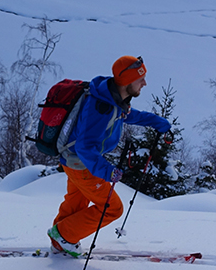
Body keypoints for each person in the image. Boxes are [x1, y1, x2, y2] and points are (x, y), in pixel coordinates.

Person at [47, 56, 171, 258]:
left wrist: (157, 122)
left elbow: (129, 115)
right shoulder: (101, 108)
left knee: (76, 203)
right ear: (127, 80)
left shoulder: (112, 97)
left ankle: (60, 243)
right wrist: (107, 171)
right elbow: (85, 147)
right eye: (141, 79)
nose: (145, 83)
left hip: (73, 161)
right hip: (82, 164)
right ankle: (64, 235)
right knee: (112, 208)